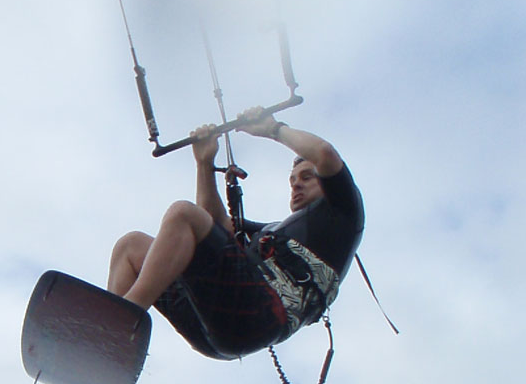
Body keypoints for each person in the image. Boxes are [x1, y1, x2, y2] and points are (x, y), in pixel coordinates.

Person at [106, 106, 364, 360]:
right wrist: (204, 164)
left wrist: (273, 129)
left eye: (306, 177)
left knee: (183, 213)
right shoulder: (272, 232)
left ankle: (116, 323)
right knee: (131, 247)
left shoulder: (343, 212)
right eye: (293, 180)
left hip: (260, 317)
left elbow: (324, 153)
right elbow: (213, 225)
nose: (296, 185)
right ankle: (111, 348)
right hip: (215, 325)